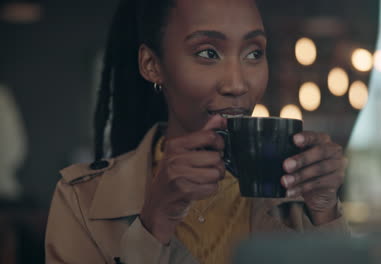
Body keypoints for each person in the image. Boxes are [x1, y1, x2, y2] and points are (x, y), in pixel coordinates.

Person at [45, 0, 349, 263]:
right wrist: (154, 226)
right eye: (208, 53)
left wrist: (324, 213)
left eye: (254, 53)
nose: (237, 84)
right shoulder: (81, 200)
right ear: (152, 64)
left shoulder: (298, 199)